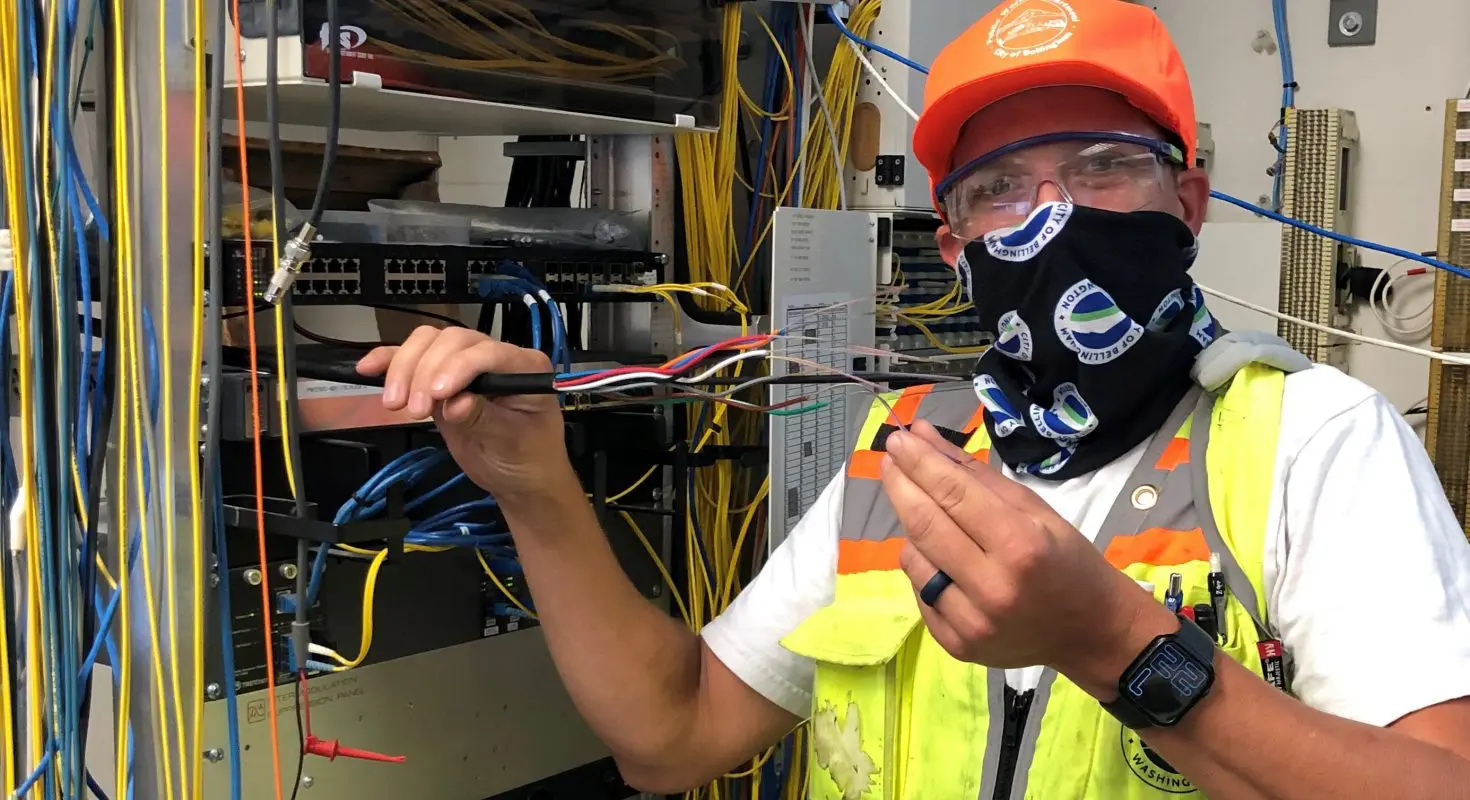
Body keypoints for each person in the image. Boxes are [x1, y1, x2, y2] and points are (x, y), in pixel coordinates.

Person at [356, 0, 1470, 796]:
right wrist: (537, 491)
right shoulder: (914, 455)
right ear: (955, 243)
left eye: (1098, 166)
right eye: (998, 189)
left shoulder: (1314, 438)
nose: (1052, 214)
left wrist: (1120, 645)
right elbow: (672, 732)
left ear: (1185, 198)